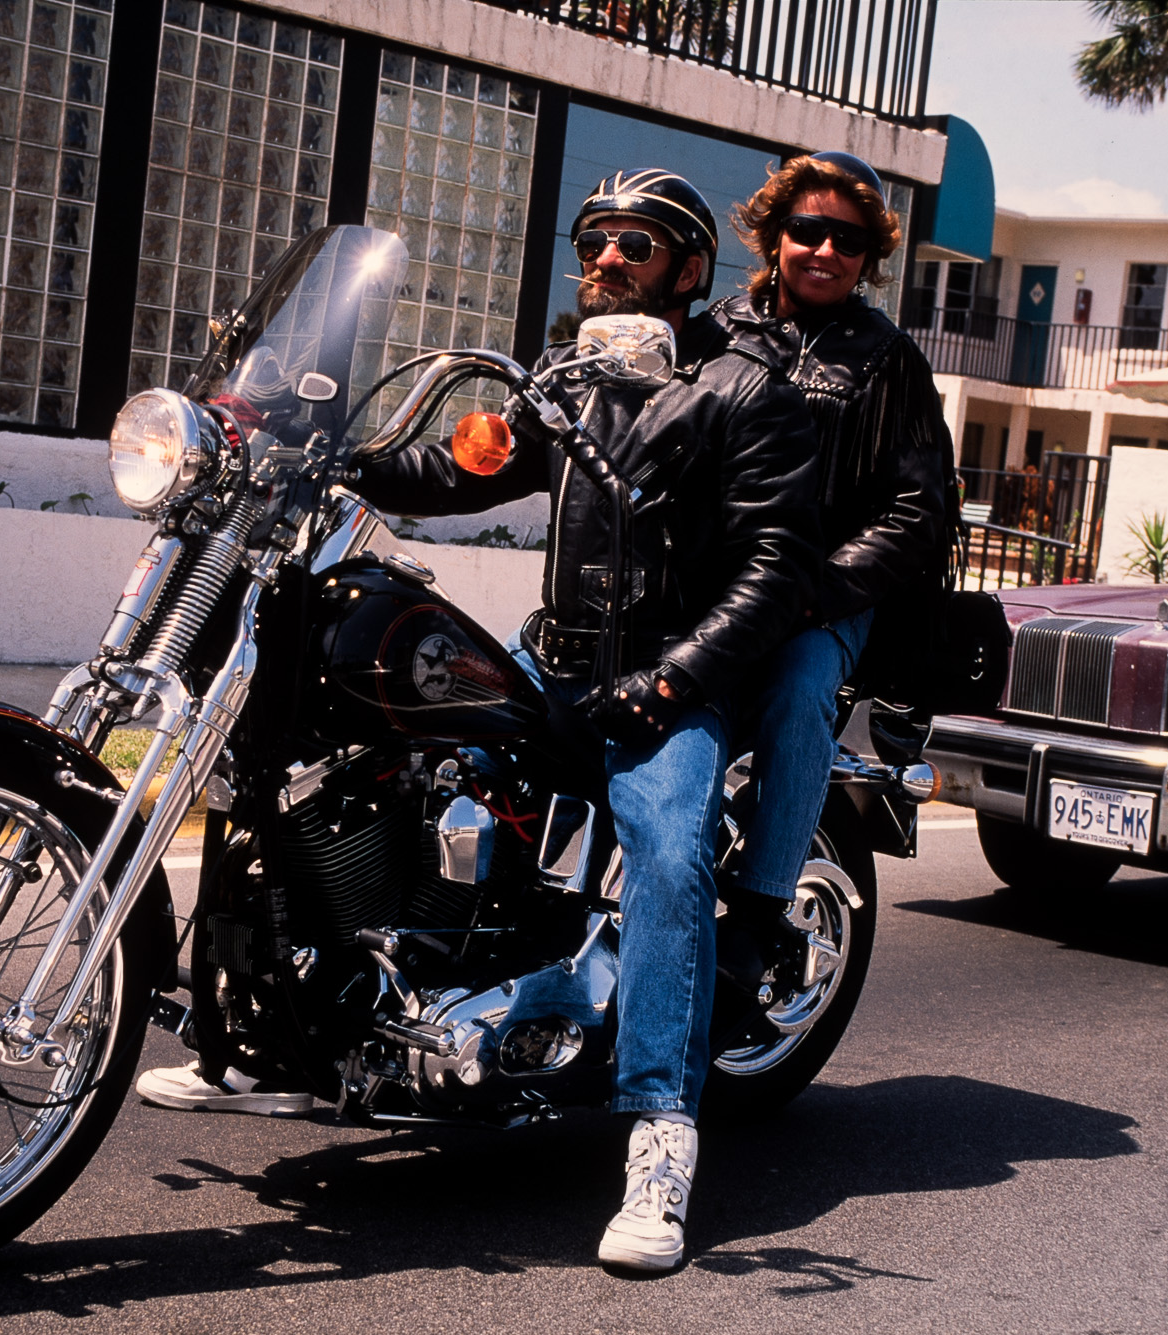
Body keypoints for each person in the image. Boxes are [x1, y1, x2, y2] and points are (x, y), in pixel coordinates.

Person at [358, 169, 820, 1271]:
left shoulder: (746, 390)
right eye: (595, 240)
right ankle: (294, 1029)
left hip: (663, 686)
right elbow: (466, 468)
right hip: (551, 660)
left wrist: (671, 683)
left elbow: (772, 572)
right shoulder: (565, 379)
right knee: (379, 749)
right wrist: (335, 456)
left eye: (637, 245)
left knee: (668, 860)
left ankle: (660, 1133)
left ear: (691, 269)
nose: (606, 259)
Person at [704, 151, 953, 970]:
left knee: (799, 685)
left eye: (847, 239)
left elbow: (920, 512)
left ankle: (760, 912)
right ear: (775, 234)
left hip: (822, 595)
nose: (825, 250)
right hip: (711, 580)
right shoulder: (715, 331)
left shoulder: (888, 360)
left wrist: (818, 591)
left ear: (868, 257)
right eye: (808, 229)